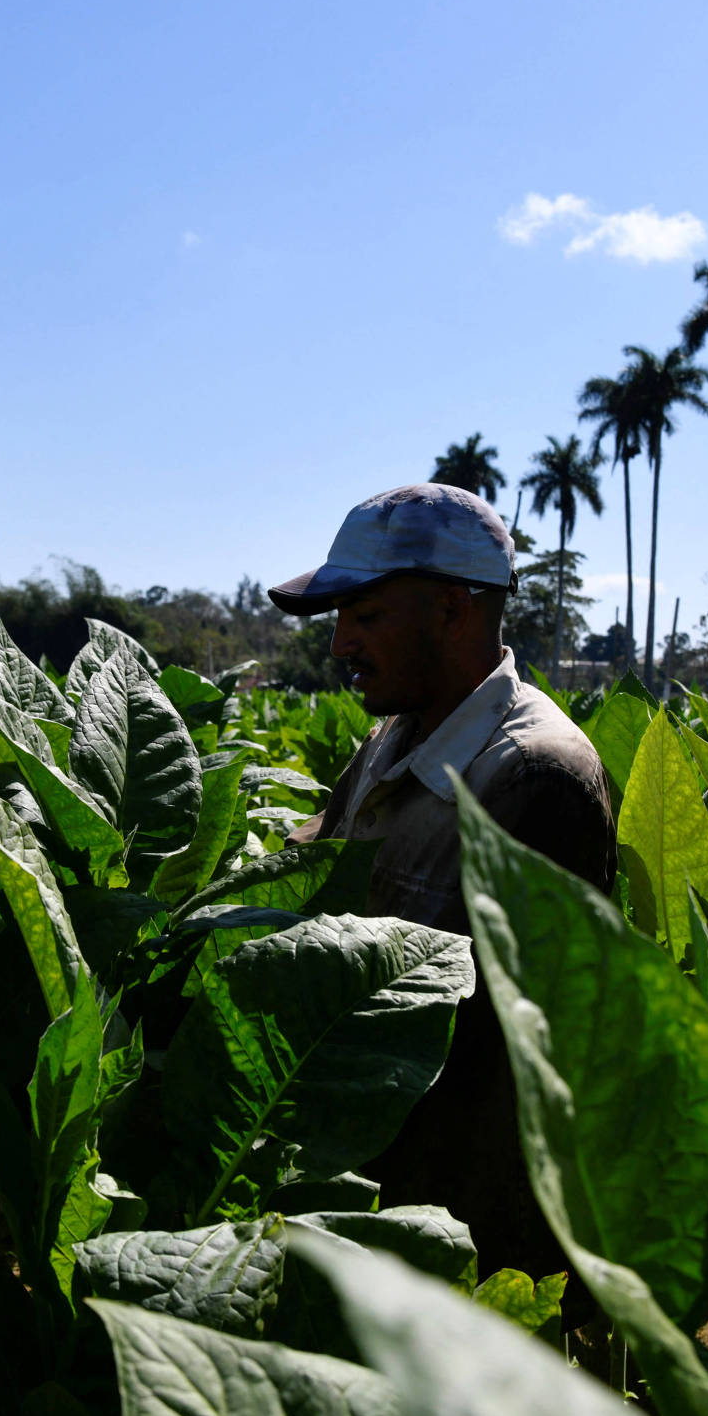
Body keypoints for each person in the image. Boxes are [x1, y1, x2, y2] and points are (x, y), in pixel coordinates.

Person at [268, 483, 614, 1278]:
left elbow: (505, 1075)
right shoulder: (395, 739)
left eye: (367, 616)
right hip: (372, 1203)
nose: (339, 645)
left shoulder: (535, 777)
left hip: (459, 1237)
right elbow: (303, 875)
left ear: (454, 611)